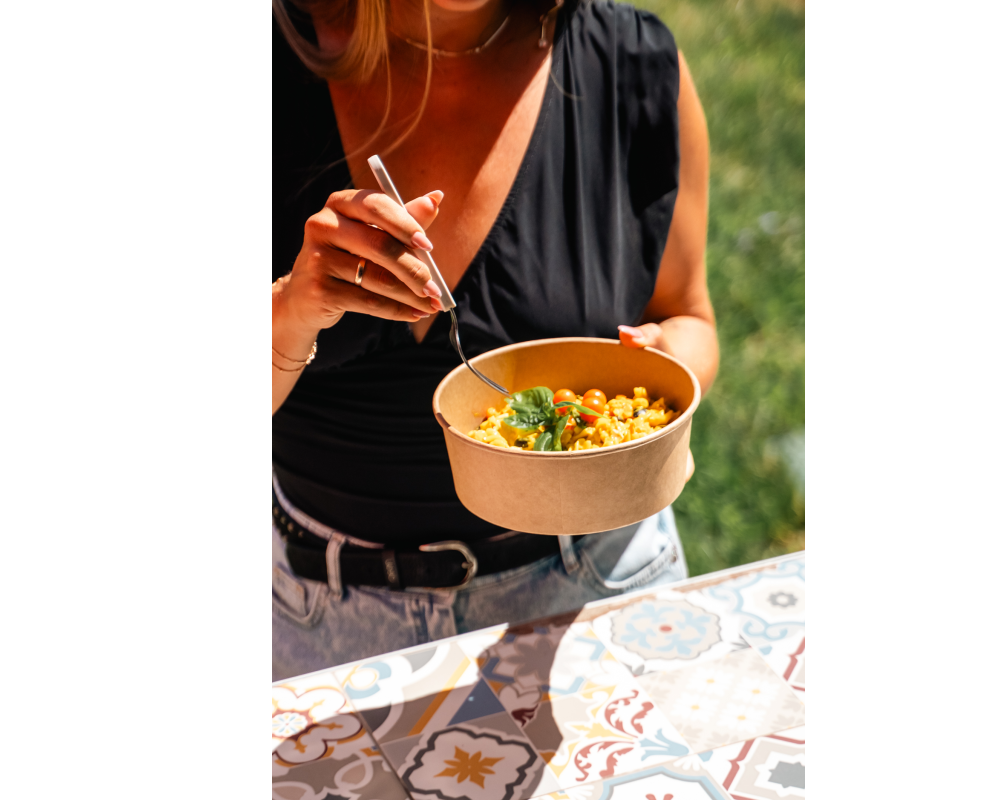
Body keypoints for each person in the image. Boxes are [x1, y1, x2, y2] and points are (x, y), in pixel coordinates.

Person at [271, 0, 718, 681]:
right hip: (323, 619)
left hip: (595, 591)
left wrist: (662, 373)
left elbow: (691, 318)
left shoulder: (631, 62)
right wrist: (289, 311)